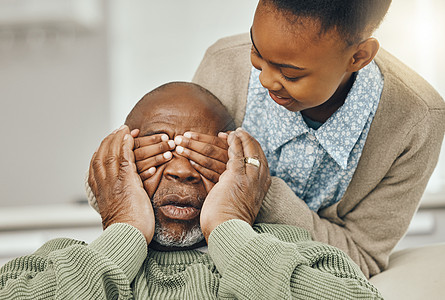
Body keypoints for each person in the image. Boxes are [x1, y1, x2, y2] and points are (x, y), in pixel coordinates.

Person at [0, 82, 383, 299]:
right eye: (159, 150)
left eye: (202, 154)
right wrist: (124, 229)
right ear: (121, 162)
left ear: (234, 166)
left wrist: (231, 228)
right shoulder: (55, 263)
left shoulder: (297, 254)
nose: (182, 170)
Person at [188, 0, 445, 278]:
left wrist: (260, 189)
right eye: (256, 52)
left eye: (290, 74)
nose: (266, 80)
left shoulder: (417, 122)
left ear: (359, 57)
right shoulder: (222, 62)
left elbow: (361, 258)